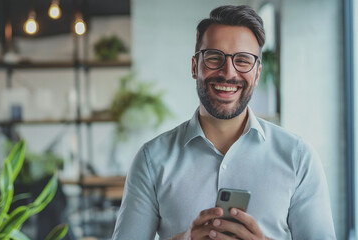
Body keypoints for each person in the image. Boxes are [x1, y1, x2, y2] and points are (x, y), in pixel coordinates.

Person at [112, 5, 336, 240]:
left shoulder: (298, 158)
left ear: (257, 74)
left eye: (242, 60)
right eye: (214, 58)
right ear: (194, 67)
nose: (228, 72)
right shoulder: (151, 160)